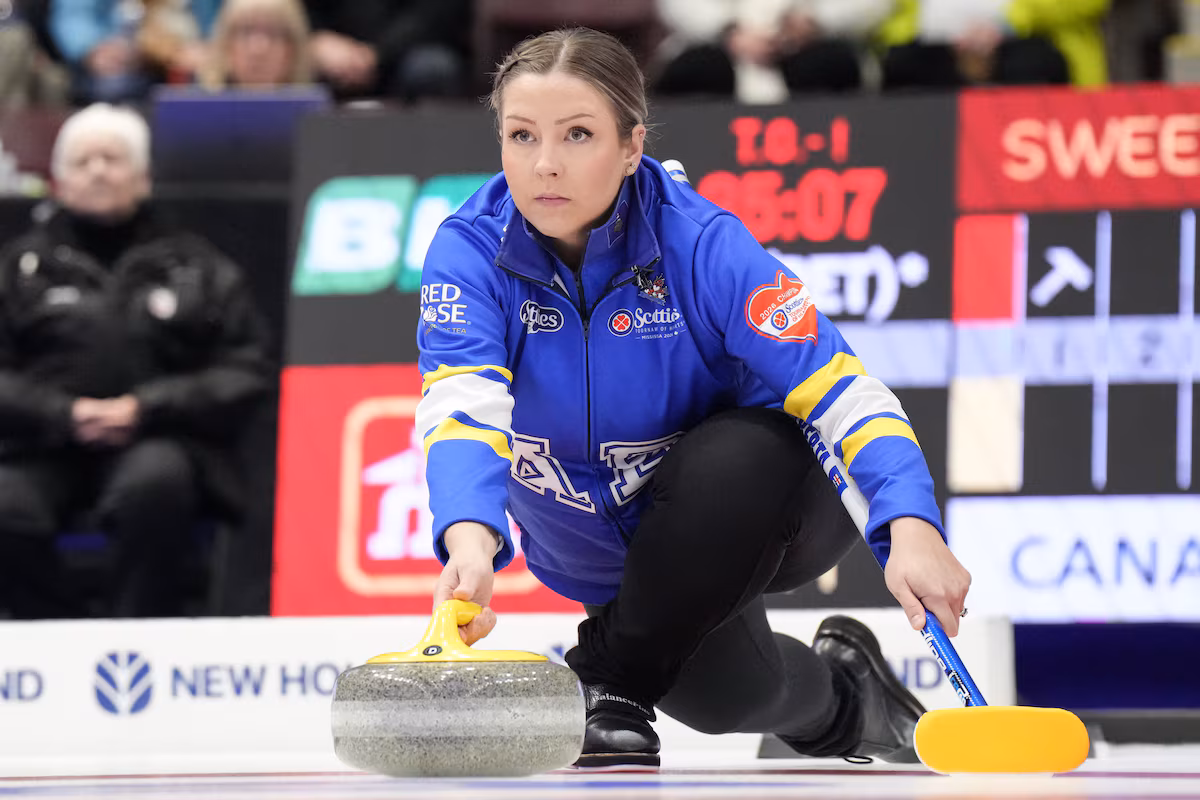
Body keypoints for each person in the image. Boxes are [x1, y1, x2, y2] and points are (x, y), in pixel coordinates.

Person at [417, 28, 971, 767]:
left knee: (734, 456)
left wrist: (911, 524)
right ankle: (847, 696)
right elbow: (464, 406)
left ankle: (605, 677)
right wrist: (469, 539)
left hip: (766, 503)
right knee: (725, 700)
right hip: (618, 554)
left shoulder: (702, 242)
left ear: (630, 146)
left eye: (578, 134)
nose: (544, 164)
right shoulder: (467, 251)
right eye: (521, 136)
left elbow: (841, 388)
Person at [0, 103, 272, 619]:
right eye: (83, 161)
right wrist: (64, 414)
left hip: (158, 440)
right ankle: (58, 637)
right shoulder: (19, 269)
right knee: (4, 506)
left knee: (156, 486)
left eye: (112, 158)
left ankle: (135, 636)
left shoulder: (196, 265)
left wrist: (145, 407)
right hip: (43, 443)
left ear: (143, 178)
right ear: (58, 181)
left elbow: (245, 370)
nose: (98, 170)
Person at [653, 0, 894, 100]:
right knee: (697, 70)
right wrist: (730, 31)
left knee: (830, 66)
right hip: (720, 50)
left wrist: (814, 21)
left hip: (813, 48)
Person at [876, 0, 1110, 89]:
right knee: (901, 65)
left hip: (1036, 41)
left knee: (1035, 65)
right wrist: (941, 28)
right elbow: (895, 13)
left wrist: (1012, 17)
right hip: (937, 44)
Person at [200, 0, 313, 90]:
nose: (258, 49)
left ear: (293, 48)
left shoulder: (318, 114)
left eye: (272, 33)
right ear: (226, 44)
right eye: (246, 31)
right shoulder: (198, 114)